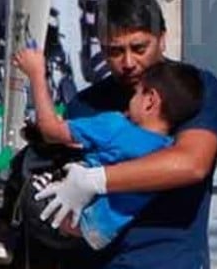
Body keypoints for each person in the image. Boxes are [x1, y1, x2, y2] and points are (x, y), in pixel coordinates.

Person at [15, 0, 217, 269]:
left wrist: (96, 180)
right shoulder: (87, 104)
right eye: (114, 51)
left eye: (139, 47)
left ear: (163, 37)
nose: (128, 62)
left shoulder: (192, 89)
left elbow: (191, 164)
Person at [12, 47, 205, 250]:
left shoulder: (115, 126)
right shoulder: (167, 151)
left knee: (33, 155)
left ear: (150, 101)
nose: (131, 99)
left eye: (136, 93)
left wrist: (36, 73)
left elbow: (50, 130)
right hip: (99, 233)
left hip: (55, 213)